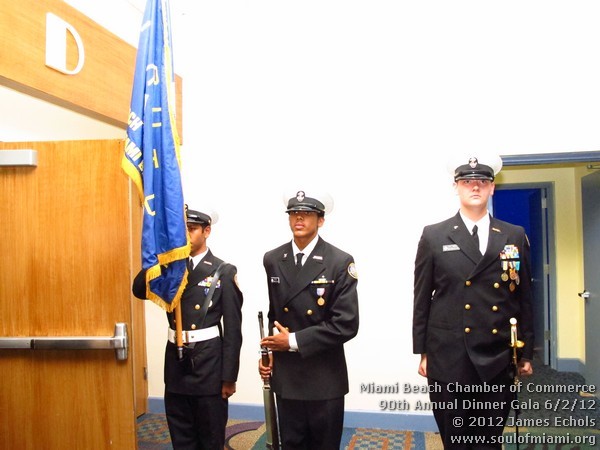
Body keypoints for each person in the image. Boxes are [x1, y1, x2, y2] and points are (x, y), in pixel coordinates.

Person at [412, 155, 534, 449]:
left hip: (497, 355)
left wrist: (526, 352)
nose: (475, 187)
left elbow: (525, 298)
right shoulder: (434, 235)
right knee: (455, 440)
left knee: (488, 441)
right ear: (456, 187)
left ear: (492, 187)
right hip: (449, 355)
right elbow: (421, 298)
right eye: (467, 182)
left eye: (482, 181)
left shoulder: (513, 235)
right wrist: (423, 351)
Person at [132, 207, 243, 450]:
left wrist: (229, 377)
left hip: (208, 365)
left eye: (191, 229)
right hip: (176, 362)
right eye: (181, 230)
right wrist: (158, 257)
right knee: (181, 437)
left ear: (206, 231)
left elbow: (233, 330)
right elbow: (139, 289)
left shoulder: (223, 271)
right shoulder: (171, 269)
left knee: (210, 438)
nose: (186, 235)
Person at [259, 190, 359, 450]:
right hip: (287, 374)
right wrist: (268, 354)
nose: (299, 218)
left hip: (324, 376)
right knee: (291, 444)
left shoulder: (339, 261)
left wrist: (292, 341)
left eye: (307, 214)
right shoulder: (273, 259)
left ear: (321, 220)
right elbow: (274, 315)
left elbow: (346, 324)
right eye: (294, 213)